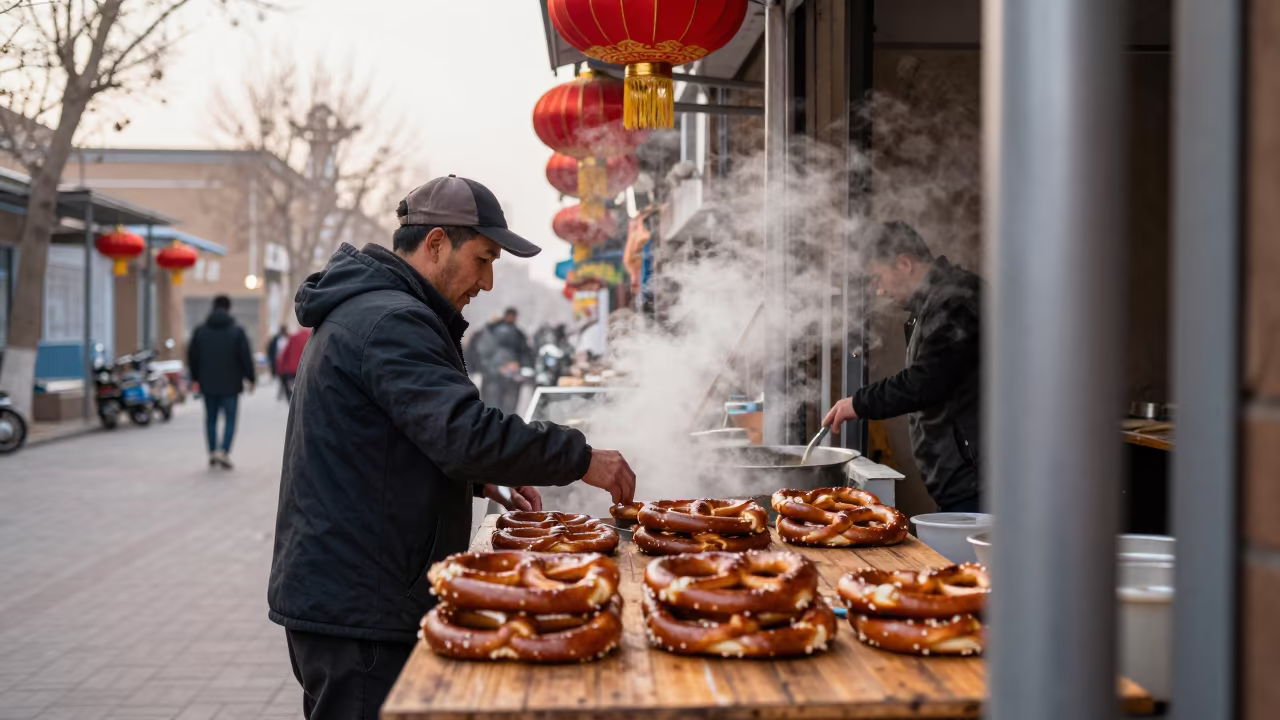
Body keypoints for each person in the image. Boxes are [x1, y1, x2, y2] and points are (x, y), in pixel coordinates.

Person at [268, 175, 637, 720]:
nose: (487, 282)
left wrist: (471, 479)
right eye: (484, 259)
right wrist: (581, 457)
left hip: (353, 594)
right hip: (362, 607)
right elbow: (464, 433)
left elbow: (393, 437)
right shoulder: (392, 320)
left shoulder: (376, 310)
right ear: (436, 243)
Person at [823, 222, 982, 513]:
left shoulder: (956, 301)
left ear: (905, 263)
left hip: (977, 483)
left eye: (878, 278)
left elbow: (925, 382)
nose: (880, 290)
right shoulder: (931, 306)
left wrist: (858, 403)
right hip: (961, 481)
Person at [188, 295, 255, 469]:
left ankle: (212, 452)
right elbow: (245, 356)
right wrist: (251, 378)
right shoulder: (237, 331)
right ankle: (223, 452)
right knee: (230, 419)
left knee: (210, 419)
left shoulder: (200, 331)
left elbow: (192, 357)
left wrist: (195, 378)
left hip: (207, 384)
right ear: (228, 308)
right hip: (231, 384)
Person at [478, 307, 532, 415]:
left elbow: (482, 353)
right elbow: (484, 353)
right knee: (503, 408)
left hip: (502, 376)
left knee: (497, 408)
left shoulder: (492, 331)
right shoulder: (514, 333)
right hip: (498, 376)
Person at [276, 326, 311, 401]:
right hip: (304, 369)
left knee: (291, 389)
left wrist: (280, 368)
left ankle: (292, 402)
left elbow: (285, 354)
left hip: (291, 369)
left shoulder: (293, 338)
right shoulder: (310, 337)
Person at [266, 325, 289, 401]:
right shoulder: (276, 339)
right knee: (282, 378)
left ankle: (283, 393)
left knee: (284, 379)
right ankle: (284, 393)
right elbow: (271, 350)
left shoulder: (288, 338)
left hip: (286, 362)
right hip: (278, 362)